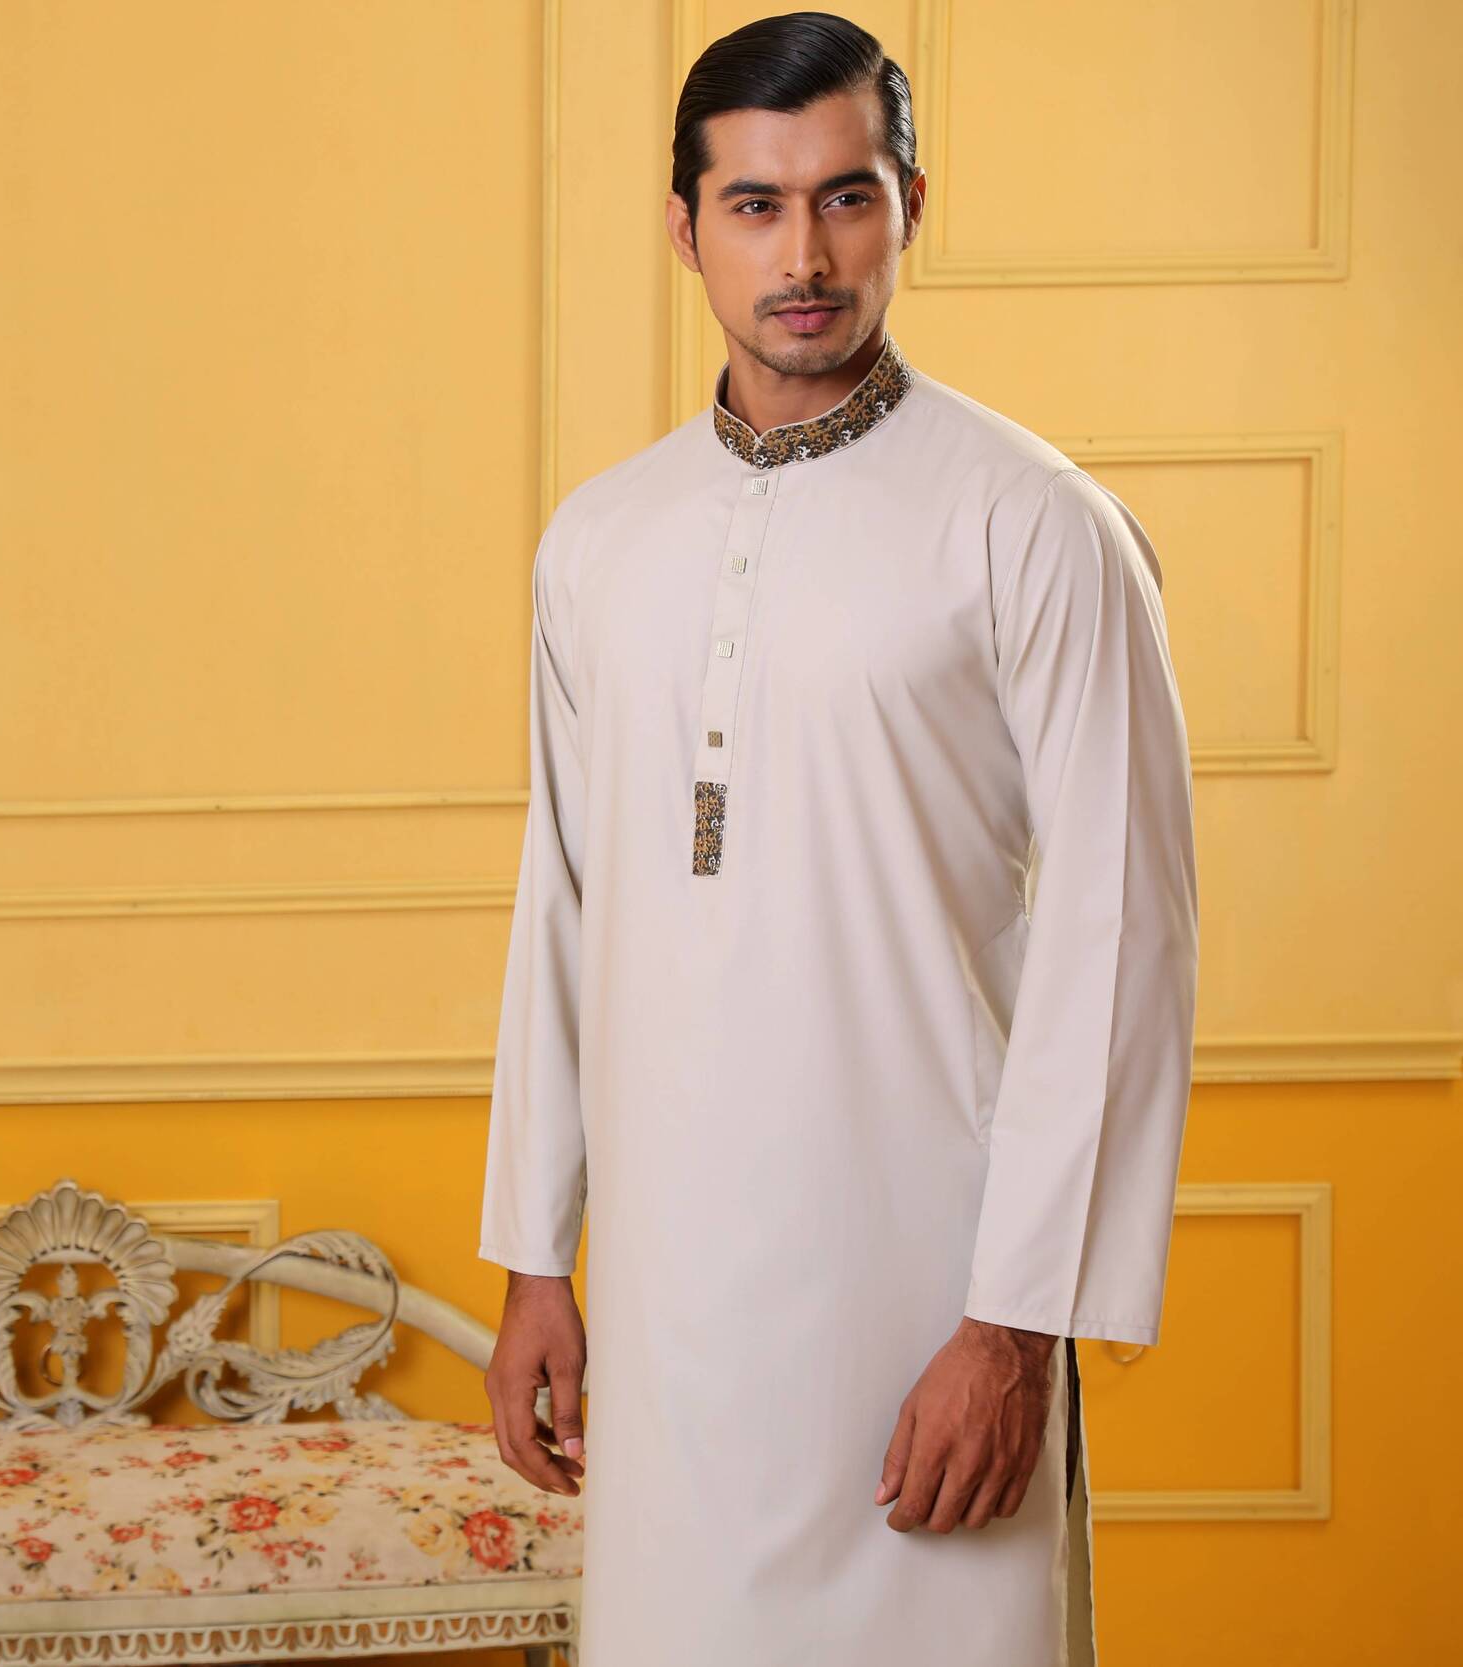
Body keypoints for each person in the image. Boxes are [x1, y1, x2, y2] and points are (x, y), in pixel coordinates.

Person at [475, 12, 1199, 1666]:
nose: (803, 257)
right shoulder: (597, 544)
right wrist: (533, 1261)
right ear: (686, 229)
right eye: (755, 205)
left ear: (909, 206)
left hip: (928, 1303)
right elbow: (562, 911)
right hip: (671, 1318)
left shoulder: (1039, 528)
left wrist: (1013, 1331)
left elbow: (1122, 938)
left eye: (845, 199)